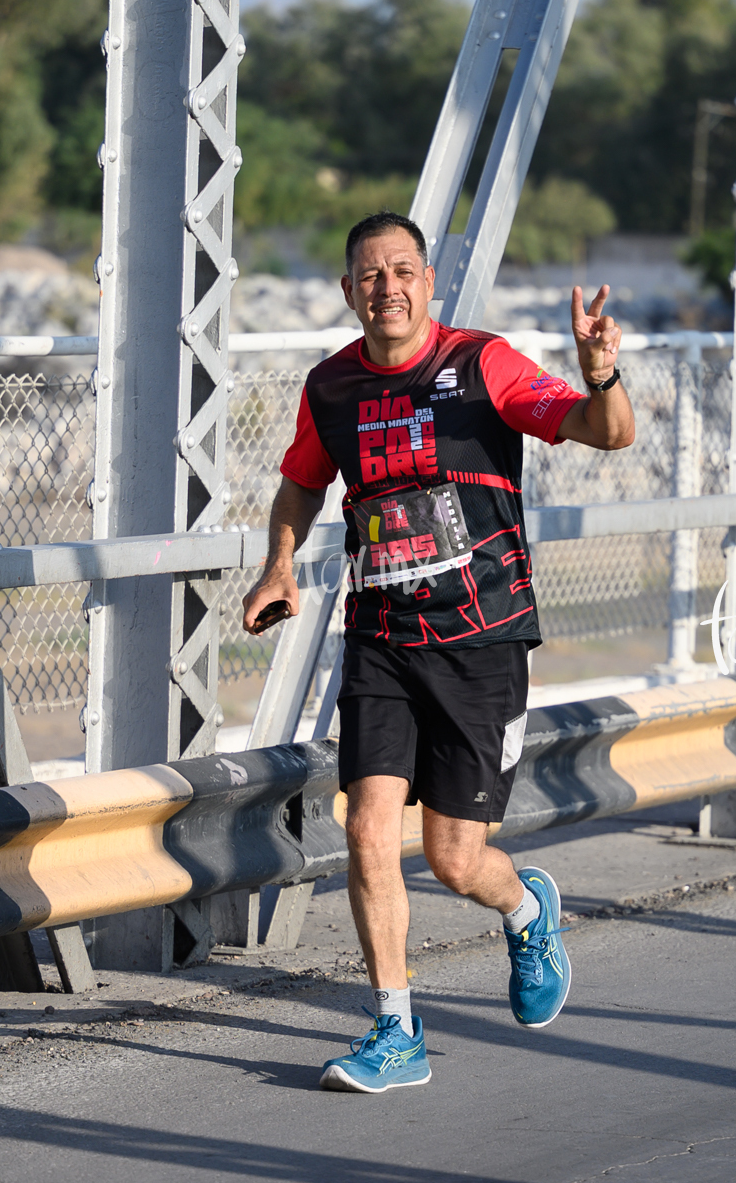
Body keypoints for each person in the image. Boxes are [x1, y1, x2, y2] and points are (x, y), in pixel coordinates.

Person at [241, 211, 635, 1093]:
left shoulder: (480, 364)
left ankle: (526, 906)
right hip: (381, 639)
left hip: (482, 641)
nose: (388, 287)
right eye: (370, 275)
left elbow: (606, 430)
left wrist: (602, 372)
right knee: (370, 830)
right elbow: (303, 481)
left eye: (404, 271)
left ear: (431, 284)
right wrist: (279, 566)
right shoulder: (332, 387)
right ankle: (394, 1028)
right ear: (349, 291)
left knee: (455, 859)